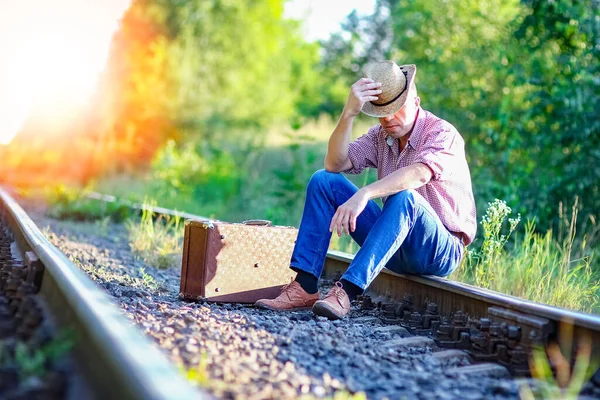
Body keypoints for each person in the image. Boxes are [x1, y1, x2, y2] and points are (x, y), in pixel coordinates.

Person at [255, 61, 476, 320]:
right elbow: (334, 163)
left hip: (438, 249)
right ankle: (305, 287)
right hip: (394, 243)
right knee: (324, 180)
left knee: (405, 197)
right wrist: (348, 113)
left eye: (395, 109)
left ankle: (346, 293)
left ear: (416, 102)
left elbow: (419, 173)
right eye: (381, 111)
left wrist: (365, 193)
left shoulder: (442, 133)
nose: (388, 118)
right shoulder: (380, 135)